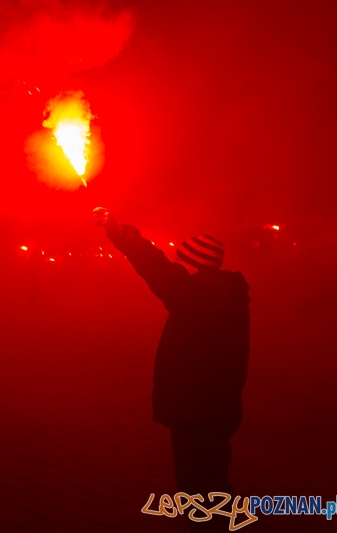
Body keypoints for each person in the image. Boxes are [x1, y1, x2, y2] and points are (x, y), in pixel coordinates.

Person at [93, 207, 250, 532]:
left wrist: (123, 236)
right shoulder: (227, 294)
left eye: (184, 263)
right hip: (216, 406)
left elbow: (160, 272)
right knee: (212, 478)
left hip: (197, 409)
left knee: (200, 486)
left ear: (195, 266)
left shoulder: (202, 296)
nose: (180, 268)